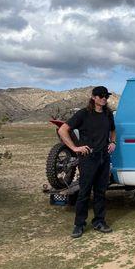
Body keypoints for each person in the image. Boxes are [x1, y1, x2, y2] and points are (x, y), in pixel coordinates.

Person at [58, 86, 116, 238]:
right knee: (84, 192)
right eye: (101, 96)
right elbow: (63, 130)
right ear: (93, 97)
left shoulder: (108, 114)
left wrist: (113, 142)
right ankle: (79, 225)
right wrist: (74, 148)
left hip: (104, 157)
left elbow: (113, 130)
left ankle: (99, 221)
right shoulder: (83, 114)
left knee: (100, 192)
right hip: (88, 158)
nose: (104, 98)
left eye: (106, 96)